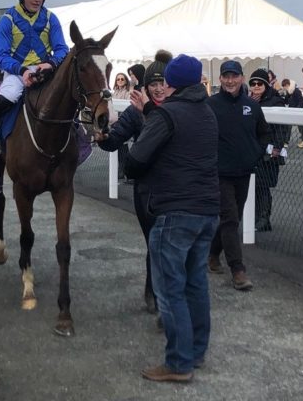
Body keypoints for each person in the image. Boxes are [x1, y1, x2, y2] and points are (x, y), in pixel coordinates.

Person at [124, 54, 219, 382]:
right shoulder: (207, 112)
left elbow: (134, 161)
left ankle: (178, 363)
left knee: (170, 289)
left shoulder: (167, 114)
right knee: (196, 283)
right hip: (207, 211)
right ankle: (196, 352)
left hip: (174, 212)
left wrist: (149, 117)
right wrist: (151, 112)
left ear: (172, 82)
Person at [96, 50, 173, 315]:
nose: (159, 89)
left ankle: (164, 298)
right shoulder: (134, 112)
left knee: (170, 245)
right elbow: (114, 141)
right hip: (148, 190)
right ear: (146, 86)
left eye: (163, 83)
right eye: (154, 84)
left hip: (179, 188)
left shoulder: (182, 109)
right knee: (156, 243)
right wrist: (101, 136)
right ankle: (155, 292)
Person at [0, 0, 69, 143]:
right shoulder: (8, 20)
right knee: (10, 94)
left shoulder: (51, 18)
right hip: (17, 72)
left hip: (45, 69)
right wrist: (22, 71)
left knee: (66, 95)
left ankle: (77, 133)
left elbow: (62, 49)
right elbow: (0, 56)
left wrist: (51, 64)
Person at [207, 60, 269, 291]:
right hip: (219, 172)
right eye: (226, 76)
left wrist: (256, 154)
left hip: (244, 172)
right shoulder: (210, 105)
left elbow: (263, 133)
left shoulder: (251, 106)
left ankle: (212, 254)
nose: (230, 81)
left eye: (234, 76)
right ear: (220, 79)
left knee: (231, 219)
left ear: (241, 78)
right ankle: (238, 270)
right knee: (230, 218)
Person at [247, 69, 289, 232]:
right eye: (253, 83)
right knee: (253, 185)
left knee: (262, 186)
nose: (256, 86)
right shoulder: (249, 100)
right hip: (253, 149)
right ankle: (257, 218)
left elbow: (282, 127)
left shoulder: (275, 101)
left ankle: (263, 219)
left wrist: (277, 147)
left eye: (259, 83)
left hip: (269, 150)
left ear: (266, 84)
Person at [281, 78, 303, 148]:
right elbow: (286, 101)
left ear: (287, 85)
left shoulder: (296, 91)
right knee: (288, 126)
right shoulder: (289, 92)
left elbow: (301, 101)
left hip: (298, 112)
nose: (284, 88)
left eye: (284, 87)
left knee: (301, 127)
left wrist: (297, 110)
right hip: (292, 111)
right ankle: (286, 142)